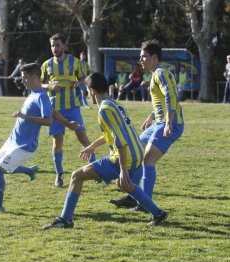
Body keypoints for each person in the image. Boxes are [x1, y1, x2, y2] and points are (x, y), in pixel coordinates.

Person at [42, 72, 168, 229]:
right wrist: (93, 146)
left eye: (87, 91)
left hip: (124, 157)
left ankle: (65, 219)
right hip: (136, 153)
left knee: (76, 176)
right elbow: (116, 133)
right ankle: (158, 213)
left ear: (92, 91)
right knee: (125, 185)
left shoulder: (104, 110)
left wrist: (123, 170)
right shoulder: (114, 104)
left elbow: (120, 140)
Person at [109, 39, 184, 211]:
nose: (141, 60)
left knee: (147, 160)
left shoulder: (162, 74)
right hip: (158, 123)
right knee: (136, 152)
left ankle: (144, 202)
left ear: (154, 57)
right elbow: (162, 101)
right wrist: (151, 117)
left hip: (170, 124)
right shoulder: (156, 74)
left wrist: (168, 123)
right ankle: (133, 196)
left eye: (143, 56)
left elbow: (171, 97)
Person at [0, 63, 53, 213]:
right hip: (12, 141)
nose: (22, 81)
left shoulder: (41, 96)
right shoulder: (32, 93)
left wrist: (24, 116)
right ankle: (28, 171)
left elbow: (48, 120)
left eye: (25, 78)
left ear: (34, 77)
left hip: (24, 146)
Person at [41, 33, 95, 187]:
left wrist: (79, 83)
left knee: (83, 138)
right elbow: (39, 84)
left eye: (57, 45)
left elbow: (85, 79)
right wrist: (49, 86)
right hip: (54, 109)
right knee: (57, 142)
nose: (54, 48)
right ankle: (59, 174)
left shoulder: (75, 62)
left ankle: (97, 170)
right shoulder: (46, 65)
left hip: (72, 108)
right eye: (52, 45)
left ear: (63, 46)